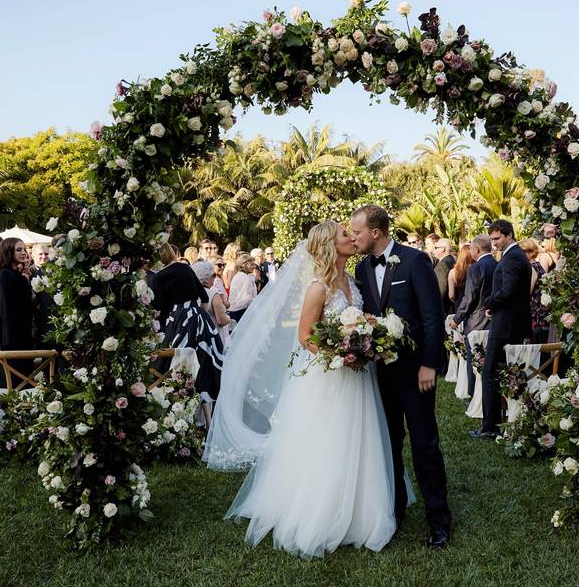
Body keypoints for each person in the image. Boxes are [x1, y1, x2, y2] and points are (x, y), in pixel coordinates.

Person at [212, 221, 397, 558]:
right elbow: (305, 337)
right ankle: (320, 513)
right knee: (328, 440)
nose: (351, 237)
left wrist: (370, 332)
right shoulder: (318, 287)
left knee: (357, 436)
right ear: (329, 244)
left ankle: (359, 511)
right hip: (329, 375)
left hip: (356, 376)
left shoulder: (352, 283)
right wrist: (341, 354)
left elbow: (357, 318)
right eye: (344, 234)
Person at [351, 204, 451, 550]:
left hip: (414, 371)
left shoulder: (414, 261)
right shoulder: (361, 268)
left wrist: (429, 363)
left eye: (358, 232)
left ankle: (439, 520)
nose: (354, 237)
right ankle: (392, 512)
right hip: (379, 374)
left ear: (375, 232)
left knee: (425, 444)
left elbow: (432, 316)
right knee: (388, 444)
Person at [481, 220, 532, 437]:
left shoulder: (512, 257)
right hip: (509, 320)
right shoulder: (515, 255)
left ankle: (490, 426)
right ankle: (495, 422)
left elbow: (509, 290)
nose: (494, 244)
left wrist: (489, 302)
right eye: (492, 239)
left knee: (490, 371)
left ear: (509, 235)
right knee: (498, 372)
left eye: (497, 238)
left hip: (507, 326)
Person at [163, 260, 225, 427]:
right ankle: (206, 420)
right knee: (203, 367)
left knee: (178, 366)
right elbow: (204, 300)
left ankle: (181, 415)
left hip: (175, 323)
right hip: (197, 325)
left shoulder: (166, 277)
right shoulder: (192, 283)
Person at [450, 234, 497, 400]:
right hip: (493, 319)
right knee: (490, 359)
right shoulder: (497, 264)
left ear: (477, 249)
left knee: (473, 359)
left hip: (476, 321)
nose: (470, 251)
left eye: (471, 248)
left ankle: (472, 394)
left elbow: (469, 298)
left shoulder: (476, 268)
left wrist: (457, 319)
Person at [0, 238, 34, 363]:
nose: (24, 253)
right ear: (8, 252)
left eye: (24, 249)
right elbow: (5, 307)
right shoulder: (4, 274)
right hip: (11, 337)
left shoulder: (16, 273)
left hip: (22, 333)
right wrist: (10, 339)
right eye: (19, 249)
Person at [151, 244, 210, 322]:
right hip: (194, 319)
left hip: (172, 323)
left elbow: (158, 308)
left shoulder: (158, 277)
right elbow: (205, 298)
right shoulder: (186, 268)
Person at [194, 260, 232, 346]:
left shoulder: (190, 294)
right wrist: (229, 318)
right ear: (206, 278)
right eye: (213, 275)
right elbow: (221, 320)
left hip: (198, 337)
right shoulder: (213, 294)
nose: (215, 278)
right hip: (213, 337)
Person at [519, 238, 549, 344]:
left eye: (523, 252)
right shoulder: (538, 266)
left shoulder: (531, 268)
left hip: (536, 315)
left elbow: (527, 291)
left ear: (531, 252)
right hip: (541, 314)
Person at [228, 254, 259, 322]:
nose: (254, 267)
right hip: (241, 312)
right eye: (252, 264)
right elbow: (246, 299)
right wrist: (258, 300)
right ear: (245, 265)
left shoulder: (238, 276)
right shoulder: (246, 278)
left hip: (234, 310)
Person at [432, 238, 456, 314]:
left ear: (443, 249)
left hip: (446, 309)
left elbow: (441, 290)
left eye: (436, 248)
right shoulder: (452, 260)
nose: (434, 250)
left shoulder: (442, 265)